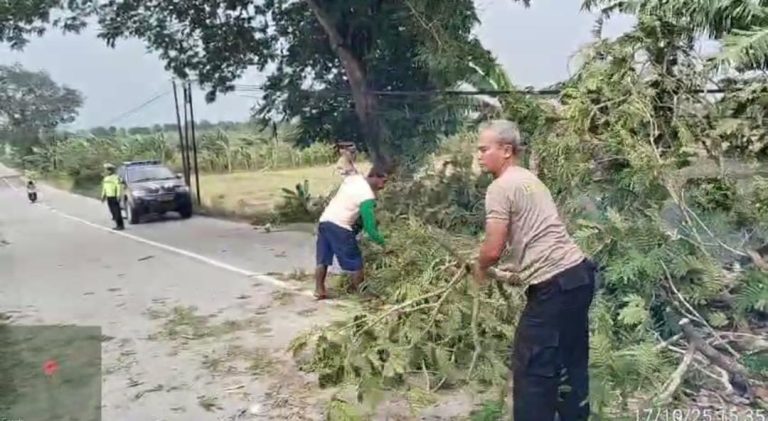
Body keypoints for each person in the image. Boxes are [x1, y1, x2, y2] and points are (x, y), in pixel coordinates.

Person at [472, 119, 597, 421]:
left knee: (532, 367)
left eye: (483, 149)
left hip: (554, 286)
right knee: (570, 362)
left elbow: (492, 248)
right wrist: (517, 268)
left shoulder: (500, 187)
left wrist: (480, 269)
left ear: (505, 150)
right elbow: (538, 231)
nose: (478, 155)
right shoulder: (528, 179)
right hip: (579, 275)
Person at [314, 166, 388, 299]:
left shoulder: (354, 179)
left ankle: (319, 290)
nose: (383, 186)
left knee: (323, 258)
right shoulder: (367, 196)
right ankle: (362, 292)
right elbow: (370, 228)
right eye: (383, 181)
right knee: (355, 261)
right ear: (374, 177)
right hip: (341, 226)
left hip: (325, 221)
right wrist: (384, 244)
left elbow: (350, 170)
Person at [101, 163, 125, 231]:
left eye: (108, 170)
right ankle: (117, 224)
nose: (107, 171)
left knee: (117, 211)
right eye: (106, 170)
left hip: (114, 196)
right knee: (113, 211)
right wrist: (103, 196)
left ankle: (120, 225)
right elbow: (104, 188)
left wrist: (118, 195)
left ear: (111, 170)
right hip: (109, 197)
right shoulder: (106, 178)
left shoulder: (116, 177)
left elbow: (118, 187)